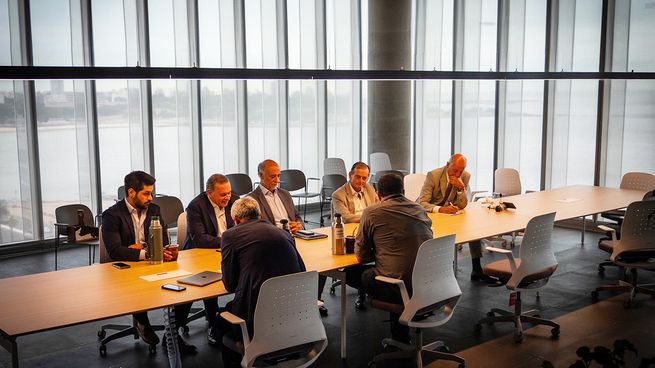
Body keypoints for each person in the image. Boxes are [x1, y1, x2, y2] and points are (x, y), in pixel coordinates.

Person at [101, 171, 196, 355]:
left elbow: (162, 242)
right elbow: (115, 251)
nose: (150, 198)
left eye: (151, 193)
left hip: (153, 263)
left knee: (187, 287)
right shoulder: (112, 215)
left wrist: (146, 249)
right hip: (124, 270)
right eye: (145, 193)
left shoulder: (154, 210)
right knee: (138, 288)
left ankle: (172, 334)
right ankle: (142, 322)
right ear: (131, 192)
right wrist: (145, 252)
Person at [217, 197, 306, 367]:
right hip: (296, 317)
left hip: (257, 323)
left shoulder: (230, 235)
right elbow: (302, 271)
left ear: (236, 220)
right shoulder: (283, 233)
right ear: (258, 215)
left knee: (221, 321)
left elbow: (229, 284)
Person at [348, 173, 433, 343]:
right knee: (399, 268)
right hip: (429, 282)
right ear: (403, 190)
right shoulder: (419, 209)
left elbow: (362, 256)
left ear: (378, 194)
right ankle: (401, 332)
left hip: (399, 286)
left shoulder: (372, 212)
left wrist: (380, 251)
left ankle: (398, 324)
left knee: (351, 273)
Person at [248, 159, 329, 316]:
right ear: (260, 175)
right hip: (272, 244)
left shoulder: (285, 194)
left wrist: (298, 225)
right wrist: (279, 230)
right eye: (272, 176)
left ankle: (313, 299)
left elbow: (297, 217)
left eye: (278, 176)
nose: (277, 180)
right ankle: (296, 304)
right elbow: (255, 228)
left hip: (294, 238)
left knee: (322, 263)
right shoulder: (252, 199)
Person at [417, 153, 493, 282]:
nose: (458, 174)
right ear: (448, 165)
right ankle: (440, 270)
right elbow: (422, 203)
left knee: (471, 229)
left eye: (461, 170)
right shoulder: (434, 175)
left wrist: (460, 188)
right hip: (430, 212)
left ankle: (476, 269)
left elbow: (462, 205)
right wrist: (441, 209)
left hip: (448, 214)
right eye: (455, 170)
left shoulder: (465, 176)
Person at [183, 173, 238, 345]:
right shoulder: (195, 206)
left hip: (226, 251)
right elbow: (200, 239)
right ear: (209, 193)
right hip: (199, 255)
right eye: (223, 194)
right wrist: (229, 240)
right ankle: (210, 321)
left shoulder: (234, 200)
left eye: (229, 192)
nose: (228, 197)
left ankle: (230, 317)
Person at [331, 161, 379, 310]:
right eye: (358, 177)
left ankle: (369, 287)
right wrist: (369, 216)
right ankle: (363, 290)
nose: (362, 181)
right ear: (350, 175)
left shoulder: (369, 188)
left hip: (370, 231)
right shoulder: (338, 194)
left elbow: (379, 207)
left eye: (365, 178)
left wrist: (369, 217)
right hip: (348, 235)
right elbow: (346, 218)